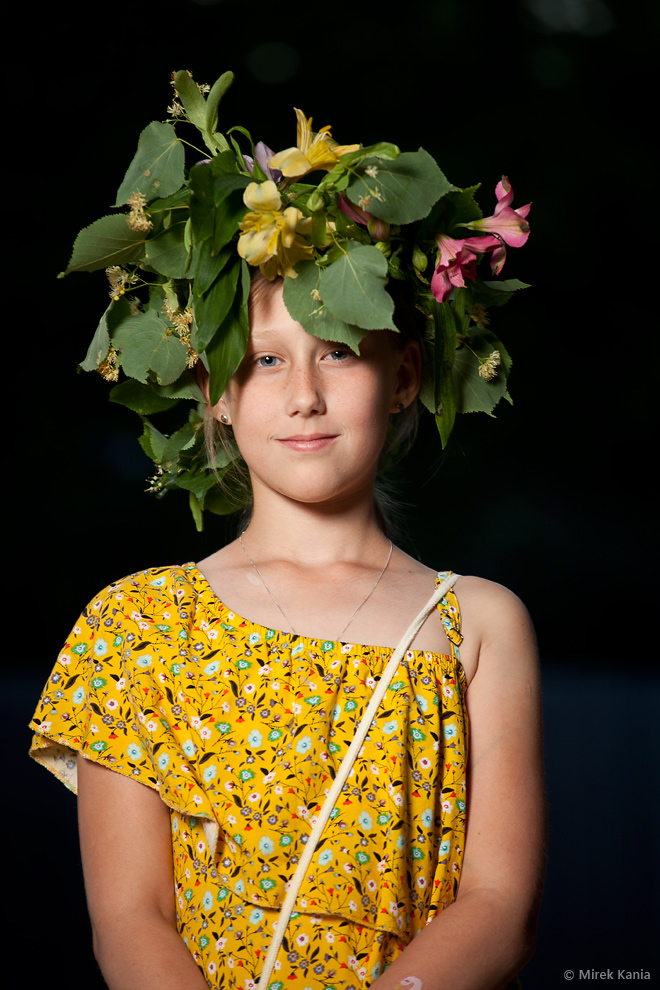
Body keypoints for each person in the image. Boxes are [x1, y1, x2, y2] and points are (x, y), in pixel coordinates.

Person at [29, 68, 544, 990]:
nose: (303, 394)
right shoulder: (135, 625)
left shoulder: (477, 623)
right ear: (216, 394)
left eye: (338, 351)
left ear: (404, 376)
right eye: (265, 360)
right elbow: (130, 917)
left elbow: (499, 907)